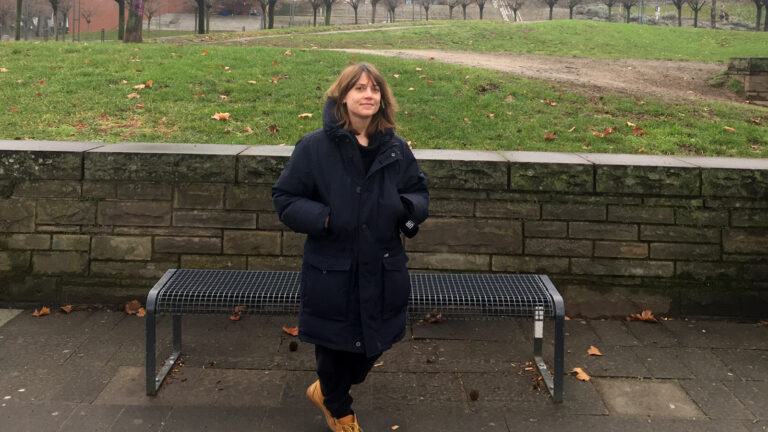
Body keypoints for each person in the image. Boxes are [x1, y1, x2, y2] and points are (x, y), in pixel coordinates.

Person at [272, 63, 429, 432]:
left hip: (383, 265)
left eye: (374, 89)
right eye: (359, 88)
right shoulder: (314, 147)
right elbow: (286, 198)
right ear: (343, 96)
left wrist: (404, 210)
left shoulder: (395, 148)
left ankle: (327, 391)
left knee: (374, 343)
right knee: (334, 345)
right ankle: (340, 411)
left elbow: (418, 191)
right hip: (333, 267)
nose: (368, 95)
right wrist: (326, 218)